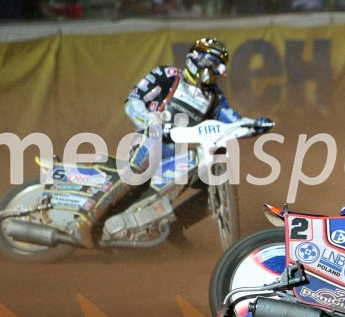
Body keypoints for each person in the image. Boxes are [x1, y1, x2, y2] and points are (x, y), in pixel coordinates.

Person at [75, 38, 273, 247]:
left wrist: (254, 125)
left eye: (220, 65)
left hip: (179, 155)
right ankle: (85, 220)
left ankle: (175, 227)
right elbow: (133, 100)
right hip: (152, 139)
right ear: (197, 60)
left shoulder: (214, 97)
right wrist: (150, 120)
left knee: (211, 183)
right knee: (140, 163)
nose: (217, 70)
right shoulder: (169, 76)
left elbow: (232, 121)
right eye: (213, 63)